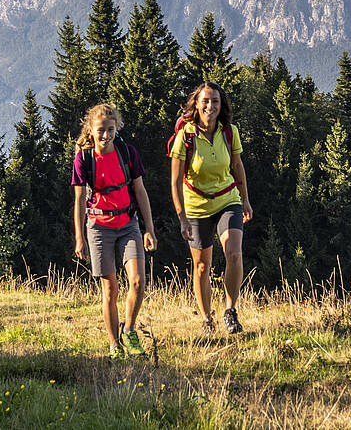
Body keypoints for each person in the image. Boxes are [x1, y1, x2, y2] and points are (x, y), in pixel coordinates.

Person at [71, 103, 158, 358]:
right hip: (98, 227)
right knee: (110, 289)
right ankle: (114, 345)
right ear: (91, 129)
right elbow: (78, 200)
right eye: (101, 130)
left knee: (138, 281)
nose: (106, 135)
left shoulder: (127, 152)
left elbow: (140, 191)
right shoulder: (83, 158)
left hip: (128, 223)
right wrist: (79, 238)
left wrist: (148, 228)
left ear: (116, 128)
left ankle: (129, 330)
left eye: (110, 129)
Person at [168, 81, 253, 335]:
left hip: (228, 199)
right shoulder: (186, 136)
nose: (210, 106)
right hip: (196, 206)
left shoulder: (230, 132)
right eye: (205, 101)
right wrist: (181, 217)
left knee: (234, 253)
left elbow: (237, 167)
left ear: (221, 105)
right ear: (196, 104)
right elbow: (174, 181)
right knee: (202, 266)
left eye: (215, 101)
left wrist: (246, 199)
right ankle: (207, 318)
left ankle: (230, 310)